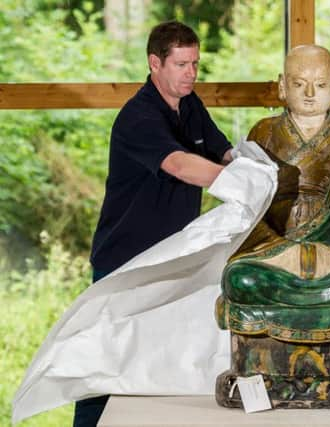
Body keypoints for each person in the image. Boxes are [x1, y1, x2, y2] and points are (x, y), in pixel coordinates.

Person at [78, 21, 233, 427]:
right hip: (125, 264)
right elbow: (181, 165)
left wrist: (254, 167)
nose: (191, 73)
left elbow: (222, 152)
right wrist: (238, 182)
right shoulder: (138, 117)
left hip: (172, 259)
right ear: (154, 63)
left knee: (158, 362)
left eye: (196, 64)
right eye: (182, 64)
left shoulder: (190, 105)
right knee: (107, 366)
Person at [216, 45, 330, 343]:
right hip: (274, 256)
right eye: (299, 84)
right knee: (241, 280)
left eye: (321, 84)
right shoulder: (263, 132)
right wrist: (281, 250)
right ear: (282, 86)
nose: (310, 93)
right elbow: (247, 209)